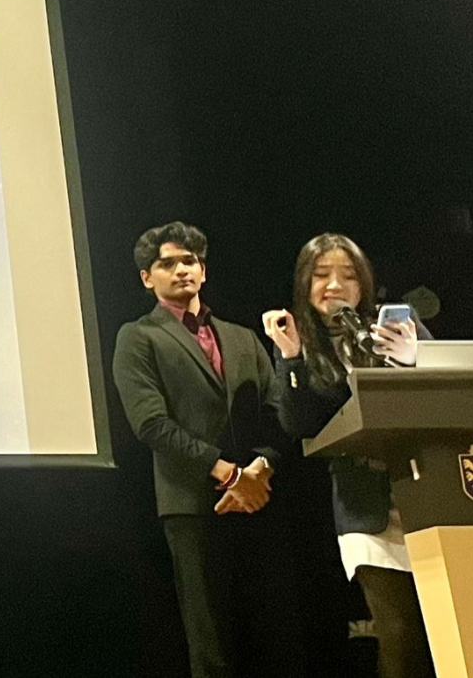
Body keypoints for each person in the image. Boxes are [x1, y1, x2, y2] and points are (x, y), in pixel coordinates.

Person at [112, 221, 298, 678]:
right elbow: (151, 424)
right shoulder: (138, 336)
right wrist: (229, 474)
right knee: (211, 644)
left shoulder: (242, 337)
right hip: (195, 505)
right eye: (167, 264)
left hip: (261, 498)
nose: (181, 270)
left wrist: (260, 469)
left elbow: (280, 413)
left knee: (276, 634)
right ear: (146, 278)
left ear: (204, 270)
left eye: (190, 261)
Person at [261, 233, 432, 678]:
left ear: (365, 283)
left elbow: (441, 395)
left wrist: (415, 357)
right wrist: (291, 357)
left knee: (444, 628)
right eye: (321, 275)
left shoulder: (395, 327)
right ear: (304, 284)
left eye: (348, 275)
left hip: (429, 494)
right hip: (365, 509)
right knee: (399, 633)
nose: (335, 285)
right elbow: (299, 425)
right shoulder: (301, 343)